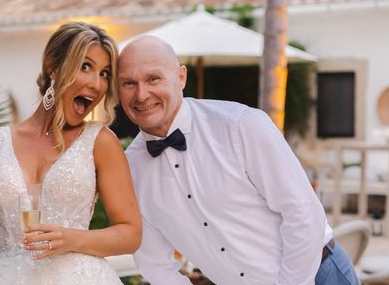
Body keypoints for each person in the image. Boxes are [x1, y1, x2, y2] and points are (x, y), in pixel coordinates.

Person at [118, 36, 359, 285]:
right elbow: (154, 264)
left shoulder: (241, 125)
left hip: (318, 275)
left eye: (153, 79)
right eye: (128, 83)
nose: (141, 94)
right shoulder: (129, 169)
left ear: (181, 78)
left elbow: (302, 211)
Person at [0, 22, 142, 285]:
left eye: (104, 73)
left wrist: (72, 239)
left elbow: (131, 234)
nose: (96, 84)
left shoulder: (101, 143)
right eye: (85, 67)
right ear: (53, 67)